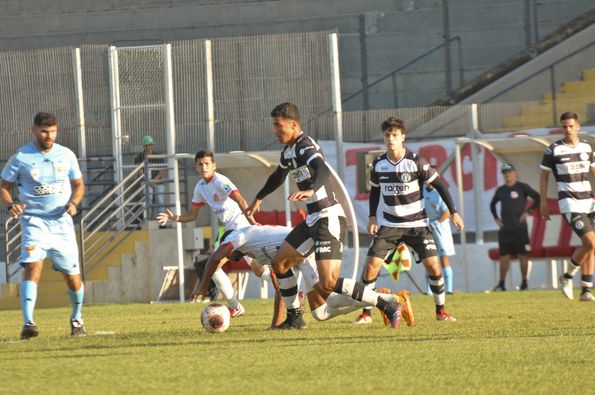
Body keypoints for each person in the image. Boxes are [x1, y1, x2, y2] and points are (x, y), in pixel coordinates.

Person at [246, 103, 403, 330]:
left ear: (293, 125)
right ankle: (294, 318)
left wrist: (311, 189)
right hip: (312, 219)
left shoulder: (304, 145)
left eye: (278, 126)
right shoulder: (289, 151)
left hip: (328, 216)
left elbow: (322, 168)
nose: (274, 130)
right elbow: (278, 176)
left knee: (328, 283)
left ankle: (385, 303)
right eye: (274, 126)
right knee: (280, 263)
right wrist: (259, 198)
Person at [192, 224, 415, 328]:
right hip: (298, 257)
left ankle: (381, 301)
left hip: (303, 247)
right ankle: (386, 297)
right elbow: (273, 276)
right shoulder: (254, 253)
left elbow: (215, 258)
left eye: (228, 251)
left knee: (328, 286)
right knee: (321, 312)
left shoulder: (241, 234)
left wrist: (203, 286)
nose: (228, 257)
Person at [354, 116, 463, 325]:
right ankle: (366, 314)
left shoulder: (416, 162)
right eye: (387, 135)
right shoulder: (378, 165)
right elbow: (375, 192)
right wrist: (372, 216)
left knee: (434, 266)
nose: (391, 139)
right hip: (389, 226)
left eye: (395, 135)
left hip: (417, 226)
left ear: (403, 137)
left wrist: (454, 212)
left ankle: (441, 311)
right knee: (370, 267)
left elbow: (440, 186)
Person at [0, 112, 86, 339]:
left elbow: (78, 185)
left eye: (53, 131)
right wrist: (11, 206)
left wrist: (74, 203)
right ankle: (28, 323)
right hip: (34, 222)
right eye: (44, 131)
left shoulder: (66, 155)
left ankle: (77, 318)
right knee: (32, 267)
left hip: (62, 224)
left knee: (72, 277)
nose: (49, 136)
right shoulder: (21, 157)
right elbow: (3, 187)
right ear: (34, 131)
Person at [157, 150, 257, 316]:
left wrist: (253, 222)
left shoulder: (221, 181)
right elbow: (192, 215)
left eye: (207, 164)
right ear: (196, 167)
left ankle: (288, 295)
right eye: (200, 164)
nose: (203, 167)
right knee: (213, 268)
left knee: (261, 270)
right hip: (229, 230)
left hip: (241, 228)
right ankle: (235, 306)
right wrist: (173, 217)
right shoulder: (201, 188)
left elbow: (240, 199)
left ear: (213, 166)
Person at [540, 112, 594, 302]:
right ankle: (567, 277)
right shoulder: (553, 150)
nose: (568, 129)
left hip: (589, 201)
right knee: (590, 243)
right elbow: (544, 176)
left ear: (578, 126)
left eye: (571, 125)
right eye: (564, 126)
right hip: (569, 202)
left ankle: (586, 289)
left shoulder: (587, 147)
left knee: (591, 246)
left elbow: (593, 171)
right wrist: (544, 202)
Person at [489, 163, 540, 291]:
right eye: (504, 172)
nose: (507, 175)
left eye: (509, 172)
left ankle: (524, 282)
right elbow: (492, 205)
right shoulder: (500, 190)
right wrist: (496, 218)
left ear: (515, 173)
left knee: (522, 255)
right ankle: (501, 284)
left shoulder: (522, 187)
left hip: (520, 229)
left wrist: (528, 211)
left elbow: (537, 197)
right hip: (505, 229)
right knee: (504, 256)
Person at [134, 135, 166, 220]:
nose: (149, 147)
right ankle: (149, 218)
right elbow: (140, 173)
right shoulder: (139, 157)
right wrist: (149, 181)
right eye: (147, 145)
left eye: (151, 144)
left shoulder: (157, 156)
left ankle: (162, 221)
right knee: (149, 196)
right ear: (144, 146)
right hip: (145, 181)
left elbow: (161, 172)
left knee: (160, 199)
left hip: (157, 182)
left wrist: (154, 181)